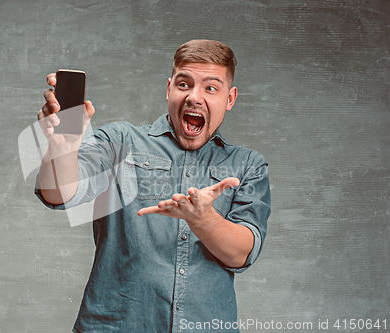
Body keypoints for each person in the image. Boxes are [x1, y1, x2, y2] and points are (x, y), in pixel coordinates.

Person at [35, 39, 271, 332]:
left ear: (230, 98)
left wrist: (203, 219)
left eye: (211, 88)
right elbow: (60, 193)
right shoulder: (121, 141)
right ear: (169, 88)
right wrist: (62, 148)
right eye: (184, 84)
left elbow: (242, 253)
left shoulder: (248, 165)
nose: (194, 97)